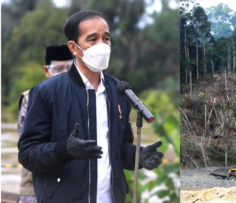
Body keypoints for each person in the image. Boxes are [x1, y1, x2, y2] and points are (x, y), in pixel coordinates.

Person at [18, 10, 163, 203]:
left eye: (106, 38)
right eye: (92, 39)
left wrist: (139, 156)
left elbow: (119, 149)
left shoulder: (119, 91)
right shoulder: (46, 92)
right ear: (74, 47)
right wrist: (64, 151)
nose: (102, 46)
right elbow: (28, 154)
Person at [17, 45, 74, 203]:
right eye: (58, 68)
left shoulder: (81, 97)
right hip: (35, 187)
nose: (63, 73)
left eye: (68, 68)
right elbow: (27, 147)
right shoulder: (31, 98)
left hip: (72, 186)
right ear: (47, 70)